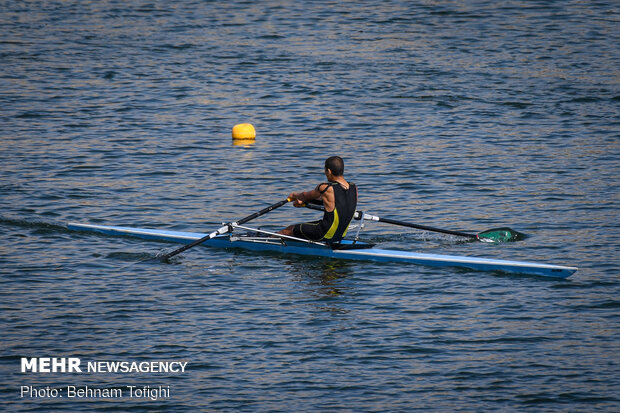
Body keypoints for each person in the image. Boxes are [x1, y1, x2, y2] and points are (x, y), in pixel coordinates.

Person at [279, 156, 357, 244]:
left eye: (325, 171)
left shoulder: (326, 187)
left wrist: (294, 195)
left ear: (329, 171)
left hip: (324, 233)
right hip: (340, 234)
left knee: (289, 230)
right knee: (304, 229)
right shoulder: (354, 187)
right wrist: (304, 201)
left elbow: (305, 196)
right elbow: (336, 203)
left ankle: (266, 240)